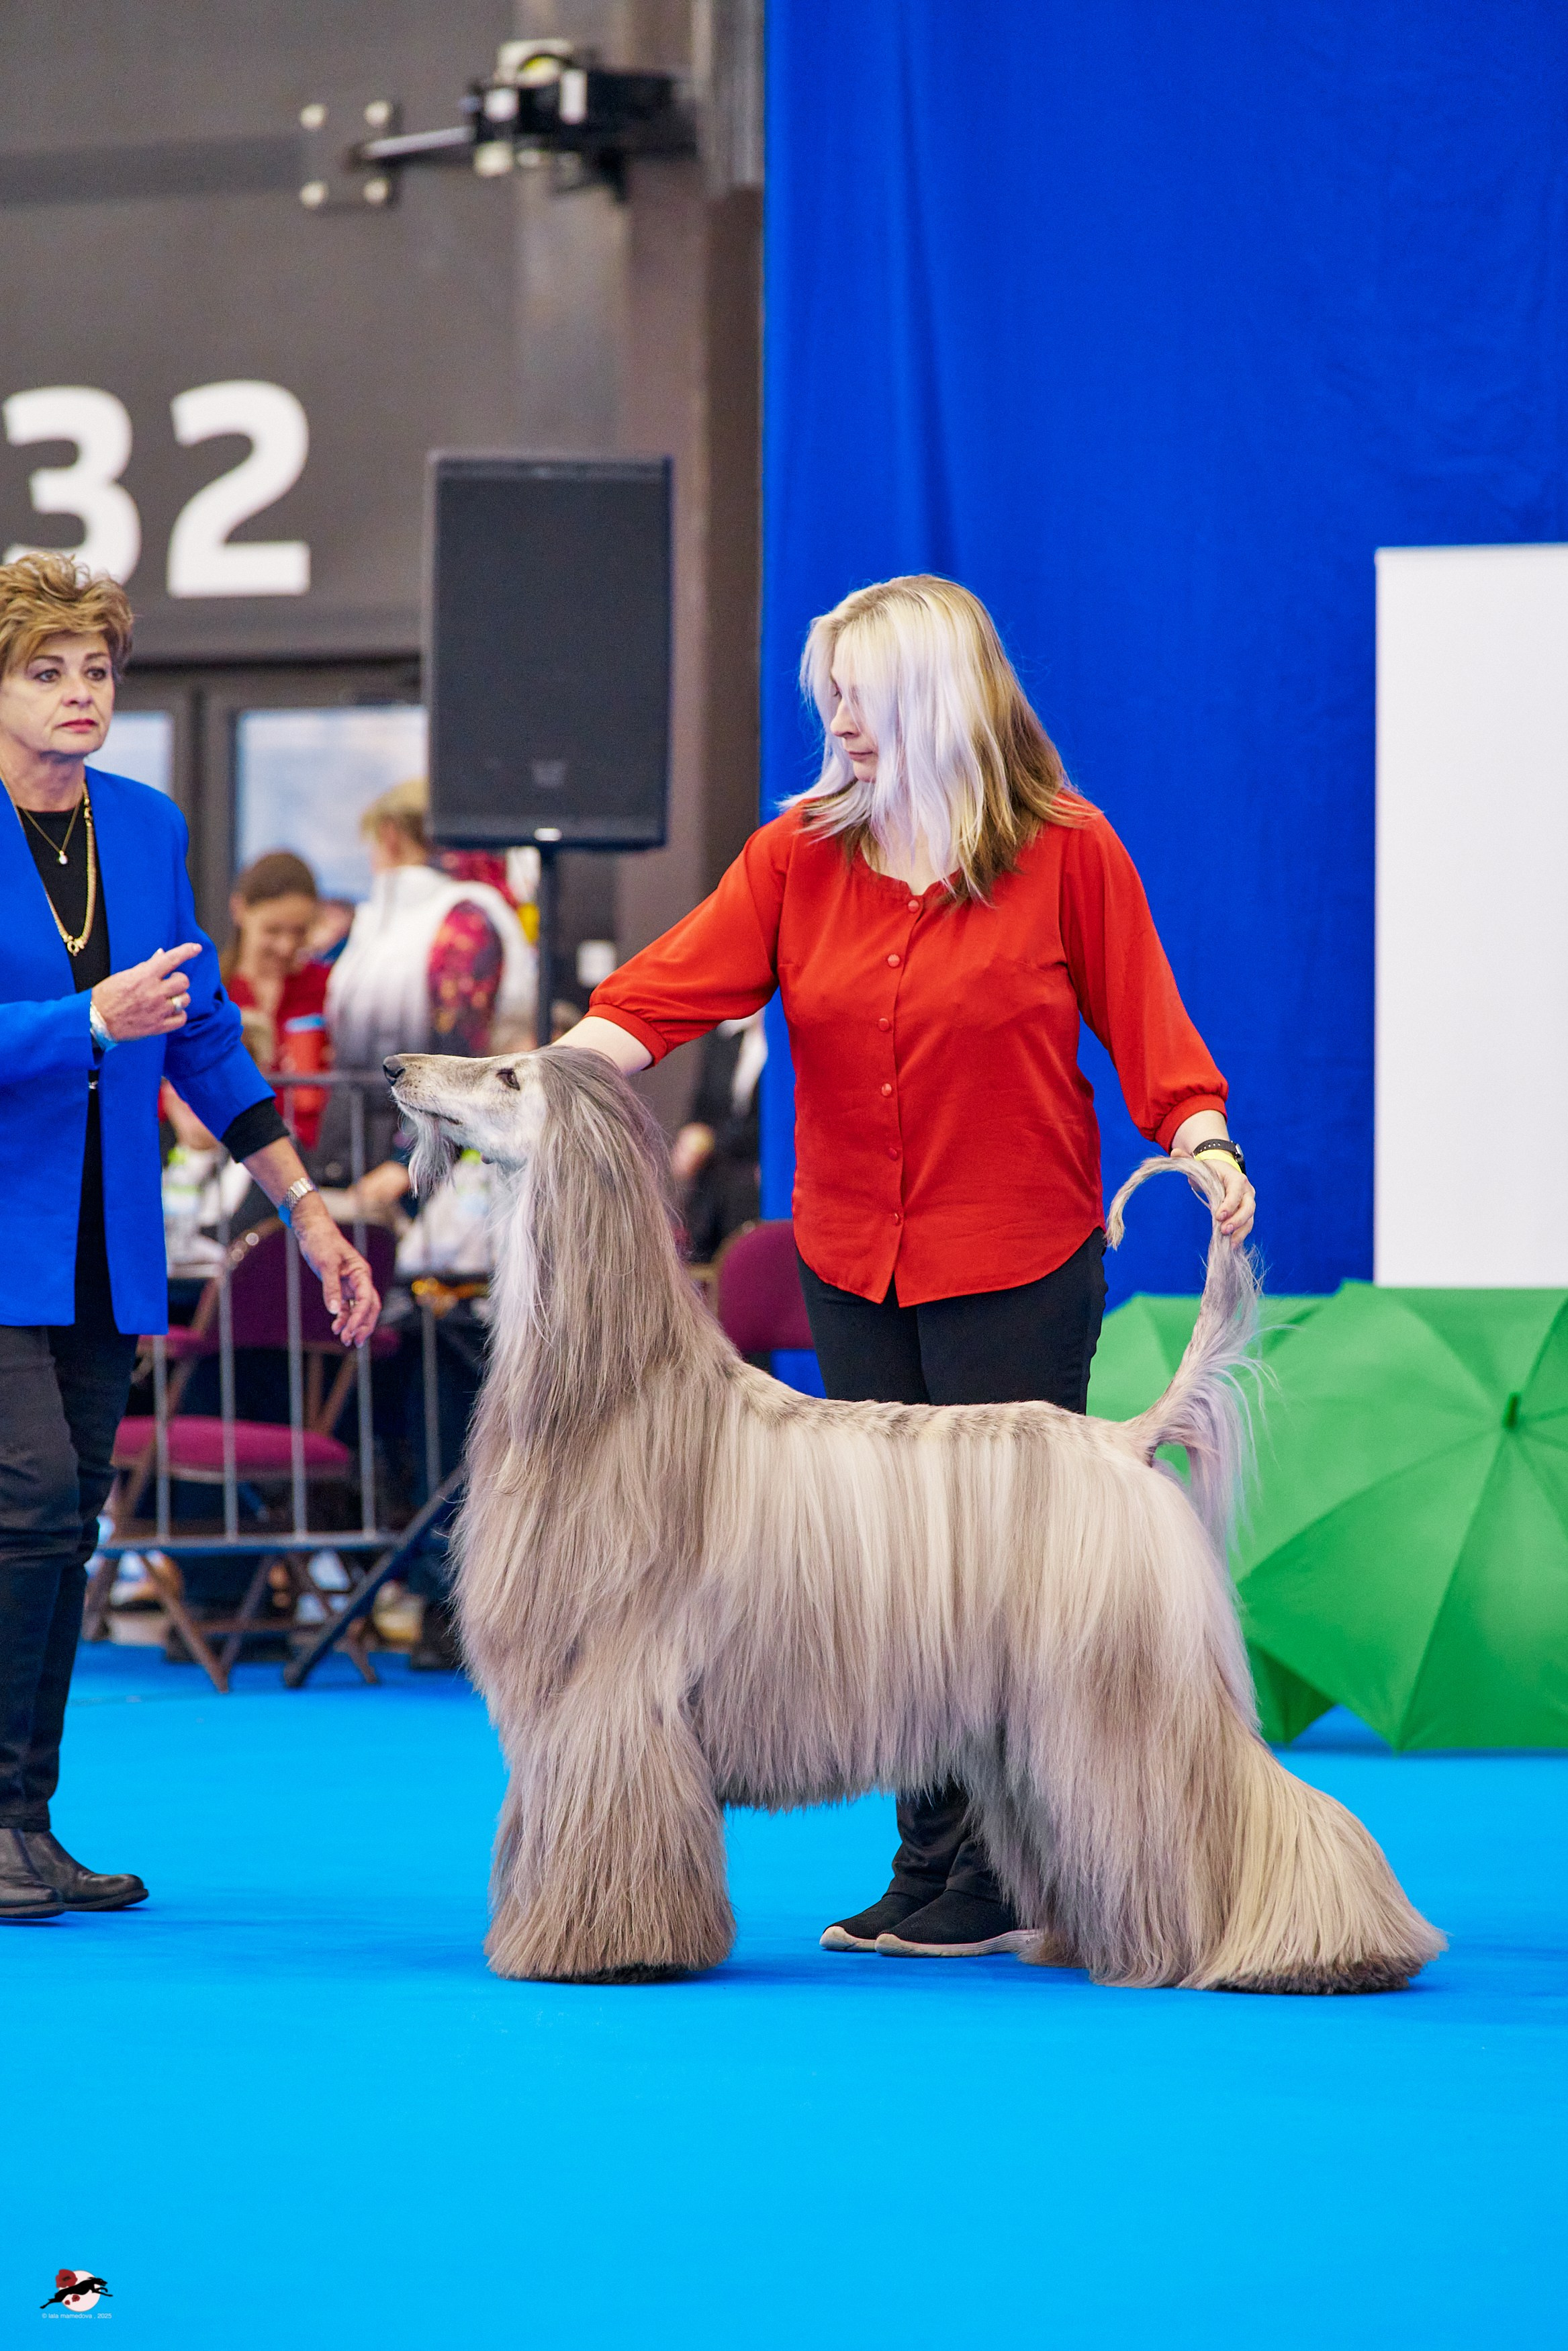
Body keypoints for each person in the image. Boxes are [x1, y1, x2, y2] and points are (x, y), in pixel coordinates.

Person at [557, 574, 1256, 1959]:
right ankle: (932, 1860)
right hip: (852, 1256)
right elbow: (667, 992)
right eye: (828, 690)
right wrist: (553, 1074)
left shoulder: (1070, 851)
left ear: (934, 692)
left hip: (1016, 1255)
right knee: (891, 1580)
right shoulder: (795, 858)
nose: (835, 716)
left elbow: (1148, 1025)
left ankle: (1014, 1864)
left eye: (857, 690)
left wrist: (1205, 1140)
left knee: (1000, 1579)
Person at [0, 553, 380, 1924]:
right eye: (45, 670)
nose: (78, 691)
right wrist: (86, 1025)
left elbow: (208, 1038)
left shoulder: (147, 830)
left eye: (95, 668)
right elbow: (113, 1020)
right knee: (29, 1496)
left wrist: (308, 1207)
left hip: (106, 1238)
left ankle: (26, 1823)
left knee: (69, 1522)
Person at [221, 850, 330, 1149]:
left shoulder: (326, 987)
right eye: (273, 930)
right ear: (240, 910)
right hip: (229, 1159)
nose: (286, 946)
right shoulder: (212, 991)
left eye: (299, 932)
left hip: (314, 1161)